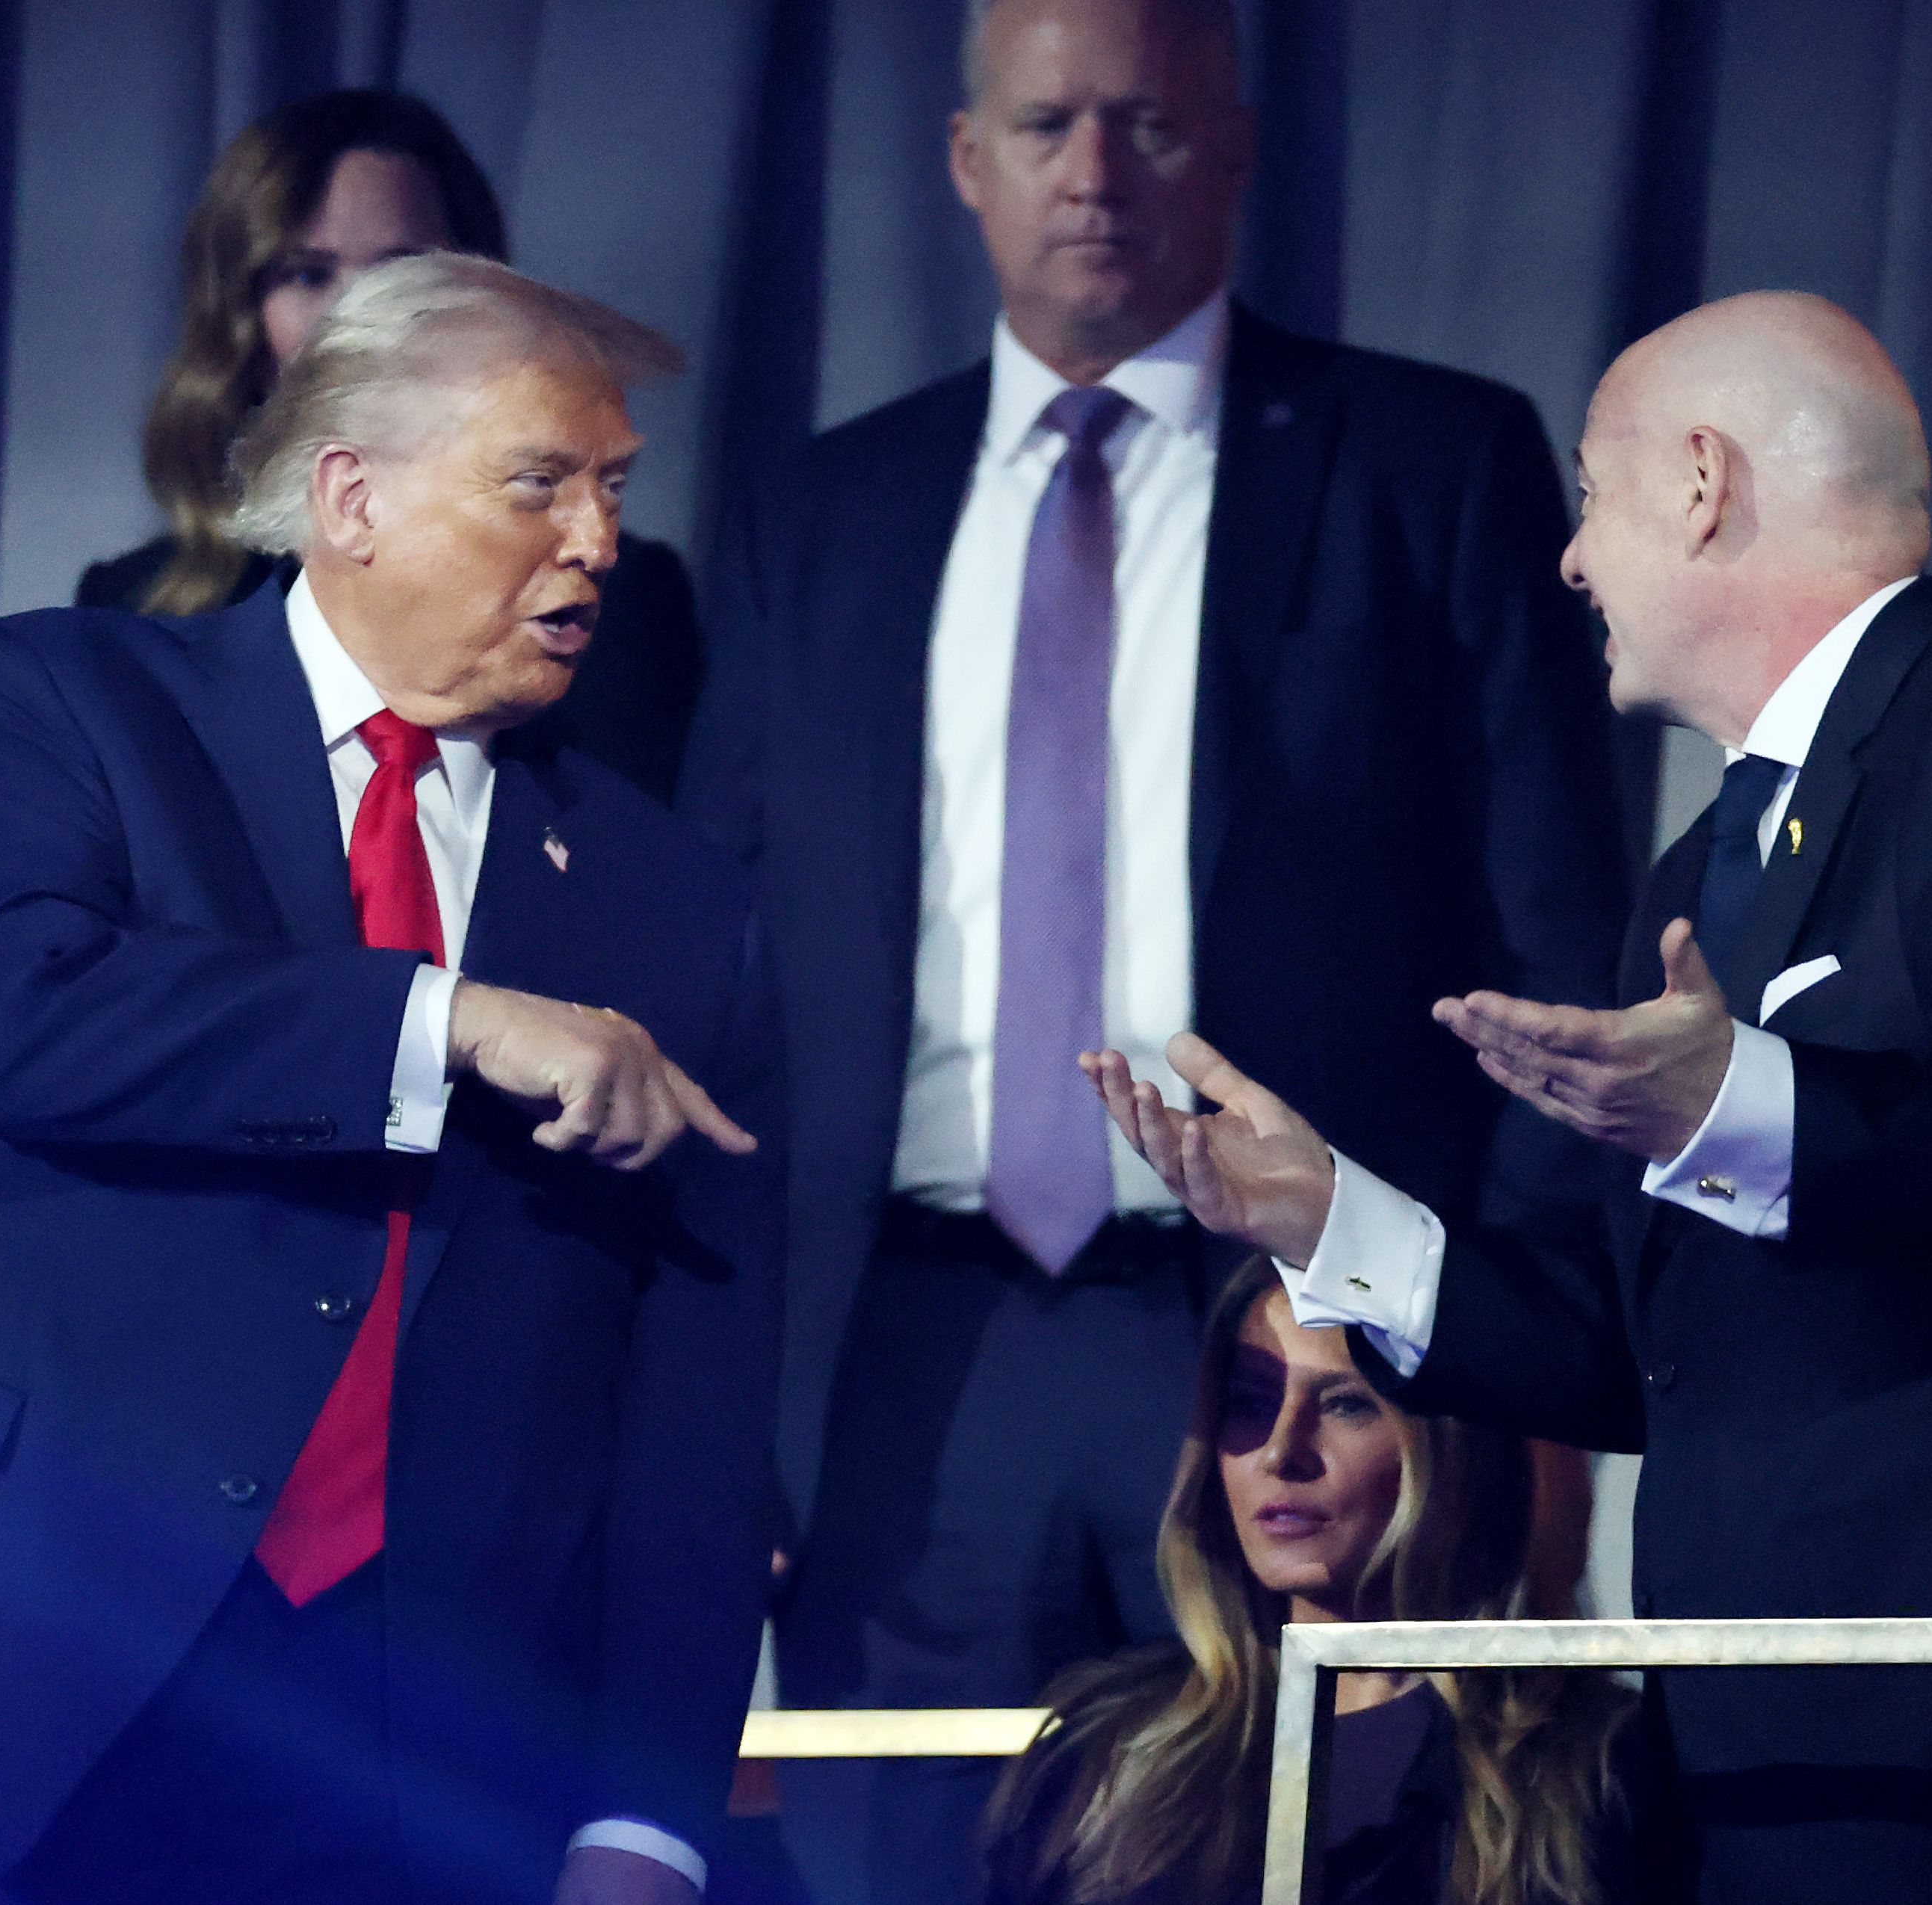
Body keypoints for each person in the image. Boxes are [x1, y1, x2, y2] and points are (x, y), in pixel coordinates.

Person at [1089, 290, 1932, 1903]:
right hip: (1761, 1754)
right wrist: (1330, 1219)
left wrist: (1751, 1097)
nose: (1573, 559)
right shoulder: (1698, 864)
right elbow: (1641, 1343)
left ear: (1704, 483)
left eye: (1594, 494)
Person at [0, 255, 786, 1905]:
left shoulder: (674, 901)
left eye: (613, 489)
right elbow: (29, 1013)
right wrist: (450, 1021)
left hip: (430, 1746)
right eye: (538, 482)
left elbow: (694, 1409)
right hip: (8, 1669)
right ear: (352, 496)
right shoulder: (74, 702)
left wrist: (646, 1822)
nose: (597, 544)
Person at [682, 3, 1622, 1897]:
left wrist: (1498, 1372)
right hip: (906, 1369)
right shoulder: (823, 508)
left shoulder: (1428, 466)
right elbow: (728, 971)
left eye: (1147, 128)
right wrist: (726, 1404)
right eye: (1045, 128)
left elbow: (1557, 958)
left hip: (1296, 1360)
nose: (1094, 177)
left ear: (1240, 146)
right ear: (965, 160)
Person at [78, 87, 706, 802]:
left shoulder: (616, 601)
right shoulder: (132, 613)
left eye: (401, 271)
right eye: (307, 274)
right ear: (243, 321)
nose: (355, 314)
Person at [980, 1266, 1640, 1905]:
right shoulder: (1104, 1752)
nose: (1280, 1450)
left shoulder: (1593, 1760)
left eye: (1347, 1404)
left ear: (1453, 1443)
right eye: (1249, 1404)